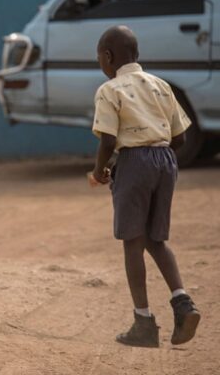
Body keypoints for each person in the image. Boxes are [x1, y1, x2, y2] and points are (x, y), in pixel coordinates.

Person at [90, 25, 200, 347]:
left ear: (108, 57)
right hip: (166, 161)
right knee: (156, 238)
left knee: (132, 242)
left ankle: (143, 322)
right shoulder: (161, 86)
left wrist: (100, 171)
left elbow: (109, 140)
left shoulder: (109, 90)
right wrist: (155, 155)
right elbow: (179, 137)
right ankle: (183, 303)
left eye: (100, 59)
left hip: (134, 164)